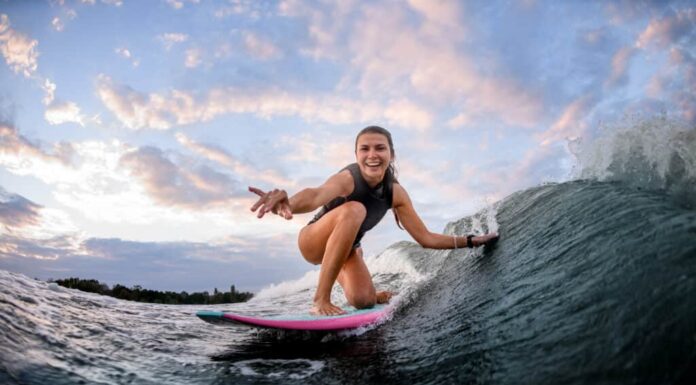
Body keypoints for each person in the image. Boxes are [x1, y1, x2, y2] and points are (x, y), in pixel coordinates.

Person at [249, 126, 499, 316]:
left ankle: (365, 288)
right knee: (355, 209)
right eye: (364, 149)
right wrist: (288, 203)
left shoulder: (396, 193)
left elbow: (426, 238)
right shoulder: (348, 178)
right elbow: (315, 195)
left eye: (380, 148)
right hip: (313, 241)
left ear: (391, 153)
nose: (372, 155)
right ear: (356, 154)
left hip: (347, 249)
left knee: (363, 301)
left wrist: (470, 241)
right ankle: (320, 299)